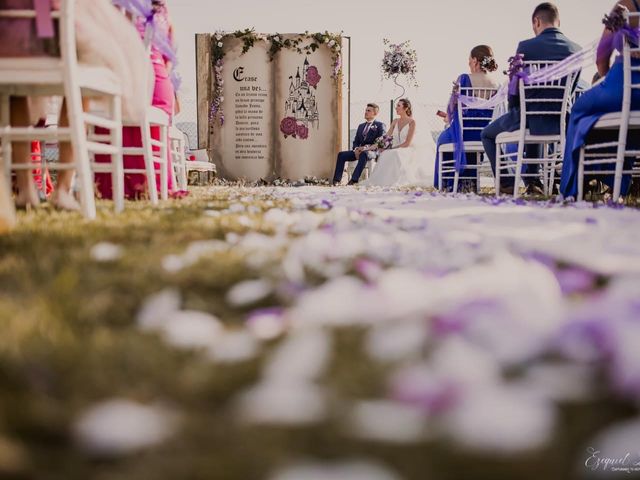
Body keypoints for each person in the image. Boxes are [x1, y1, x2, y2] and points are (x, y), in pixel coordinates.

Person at [0, 0, 152, 210]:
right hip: (58, 32)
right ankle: (63, 188)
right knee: (86, 61)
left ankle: (26, 189)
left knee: (17, 88)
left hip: (10, 42)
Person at [481, 2, 581, 195]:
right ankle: (534, 180)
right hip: (562, 120)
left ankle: (507, 183)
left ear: (536, 21)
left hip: (529, 115)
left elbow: (516, 88)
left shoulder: (526, 47)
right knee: (532, 118)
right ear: (558, 21)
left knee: (487, 134)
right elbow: (571, 91)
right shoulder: (575, 50)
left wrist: (514, 109)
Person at [96, 0, 179, 200]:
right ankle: (151, 185)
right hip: (158, 84)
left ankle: (112, 186)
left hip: (121, 79)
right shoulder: (163, 11)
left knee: (107, 107)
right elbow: (170, 60)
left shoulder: (118, 6)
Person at [559, 0, 640, 199]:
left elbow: (601, 57)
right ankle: (618, 186)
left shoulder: (626, 6)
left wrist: (605, 82)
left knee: (579, 109)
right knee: (629, 125)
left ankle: (571, 188)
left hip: (620, 87)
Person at [434, 45, 501, 191]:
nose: (469, 63)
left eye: (470, 60)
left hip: (464, 134)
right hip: (484, 135)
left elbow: (451, 108)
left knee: (441, 140)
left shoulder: (464, 79)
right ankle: (469, 183)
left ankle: (450, 184)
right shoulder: (496, 84)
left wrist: (448, 118)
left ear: (476, 60)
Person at [361, 98, 435, 187]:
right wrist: (370, 147)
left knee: (395, 153)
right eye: (396, 106)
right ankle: (384, 182)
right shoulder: (395, 121)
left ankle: (397, 181)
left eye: (398, 106)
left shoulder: (412, 122)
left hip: (407, 149)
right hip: (396, 149)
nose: (396, 108)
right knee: (385, 154)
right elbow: (386, 137)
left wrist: (391, 148)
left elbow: (407, 143)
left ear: (406, 108)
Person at [332, 104, 386, 185]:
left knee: (364, 154)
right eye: (366, 110)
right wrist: (356, 149)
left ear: (375, 113)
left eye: (369, 111)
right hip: (359, 151)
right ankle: (336, 180)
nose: (366, 112)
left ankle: (354, 180)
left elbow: (380, 142)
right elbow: (356, 141)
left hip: (372, 152)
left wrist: (366, 148)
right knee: (341, 155)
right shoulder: (361, 126)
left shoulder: (380, 125)